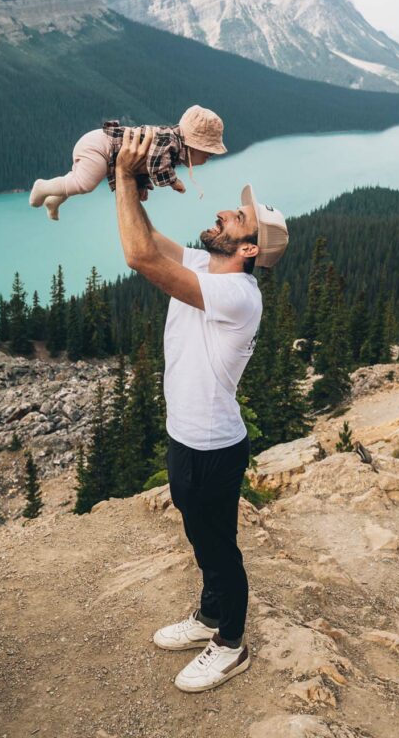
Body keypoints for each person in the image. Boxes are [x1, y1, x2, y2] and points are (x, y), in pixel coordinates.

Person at [114, 126, 289, 693]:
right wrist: (134, 187)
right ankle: (210, 617)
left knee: (219, 546)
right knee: (200, 535)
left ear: (249, 250)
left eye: (236, 220)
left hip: (214, 446)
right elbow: (151, 237)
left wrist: (120, 178)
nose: (222, 213)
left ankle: (231, 644)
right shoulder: (204, 263)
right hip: (186, 437)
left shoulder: (238, 295)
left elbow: (139, 256)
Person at [28, 105, 226, 220]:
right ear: (193, 145)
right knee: (84, 184)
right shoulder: (169, 141)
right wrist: (173, 182)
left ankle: (53, 200)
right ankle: (42, 187)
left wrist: (142, 185)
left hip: (101, 144)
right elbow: (156, 164)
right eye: (208, 151)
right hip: (101, 145)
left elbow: (143, 164)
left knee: (75, 180)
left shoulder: (171, 146)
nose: (210, 155)